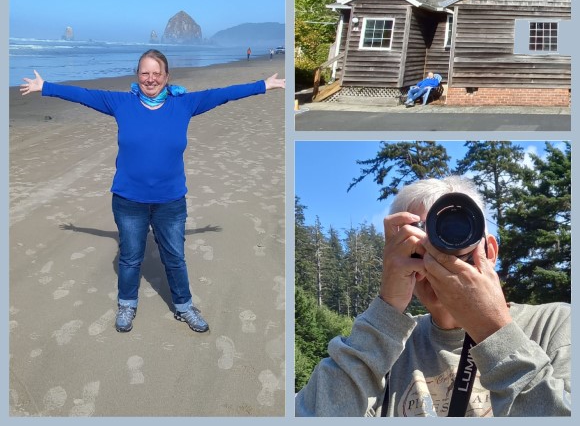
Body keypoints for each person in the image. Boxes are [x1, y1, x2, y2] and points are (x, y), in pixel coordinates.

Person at [20, 49, 285, 335]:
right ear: (137, 75)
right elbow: (85, 94)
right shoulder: (121, 102)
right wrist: (45, 86)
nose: (150, 79)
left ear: (167, 77)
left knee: (175, 258)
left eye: (156, 73)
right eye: (145, 73)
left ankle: (184, 307)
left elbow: (223, 94)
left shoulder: (184, 103)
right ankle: (127, 304)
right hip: (128, 200)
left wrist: (263, 85)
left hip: (170, 201)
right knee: (130, 257)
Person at [295, 176, 570, 417]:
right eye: (419, 246)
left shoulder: (555, 324)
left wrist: (493, 331)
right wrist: (386, 309)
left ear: (490, 251)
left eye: (454, 238)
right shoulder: (388, 347)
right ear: (395, 260)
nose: (438, 258)